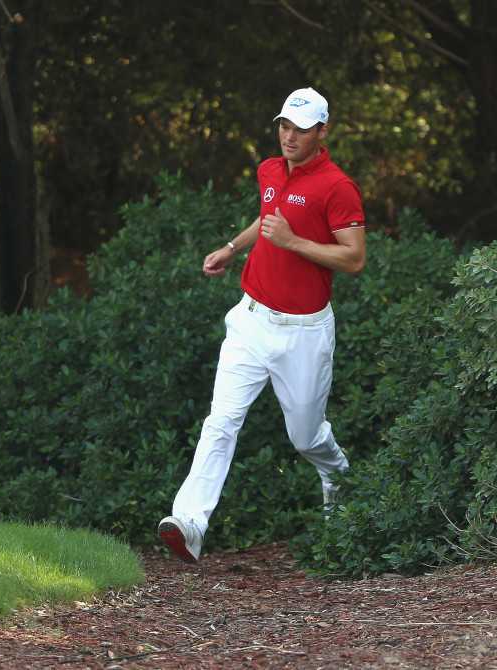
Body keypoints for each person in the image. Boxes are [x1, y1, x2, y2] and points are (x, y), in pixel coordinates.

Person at [158, 87, 366, 563]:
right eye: (284, 126)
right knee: (221, 421)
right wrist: (232, 249)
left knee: (305, 437)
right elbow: (268, 219)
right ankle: (189, 523)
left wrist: (293, 242)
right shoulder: (270, 170)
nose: (290, 137)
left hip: (304, 332)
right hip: (251, 320)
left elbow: (354, 259)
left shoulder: (337, 187)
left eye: (301, 129)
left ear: (322, 132)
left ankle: (338, 474)